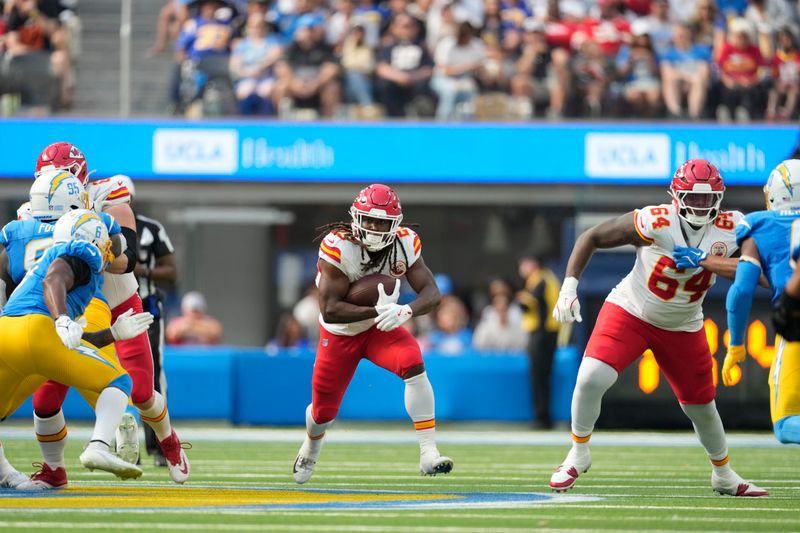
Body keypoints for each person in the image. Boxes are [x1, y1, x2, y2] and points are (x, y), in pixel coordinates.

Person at [549, 159, 767, 497]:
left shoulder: (734, 226)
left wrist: (708, 262)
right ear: (676, 196)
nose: (701, 205)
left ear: (720, 198)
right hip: (632, 309)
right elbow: (591, 236)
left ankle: (722, 473)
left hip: (684, 323)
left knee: (701, 408)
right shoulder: (655, 221)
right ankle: (577, 452)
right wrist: (568, 288)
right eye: (693, 199)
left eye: (708, 198)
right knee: (591, 376)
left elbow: (762, 275)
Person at [31, 143, 190, 487]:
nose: (46, 191)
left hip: (119, 302)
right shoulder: (32, 210)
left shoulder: (108, 197)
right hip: (73, 309)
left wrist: (92, 250)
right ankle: (54, 469)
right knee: (44, 399)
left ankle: (170, 442)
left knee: (143, 392)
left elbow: (129, 259)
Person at [292, 183, 452, 484]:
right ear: (356, 218)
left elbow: (431, 292)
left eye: (383, 222)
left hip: (382, 327)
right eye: (371, 220)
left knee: (414, 364)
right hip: (341, 332)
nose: (376, 228)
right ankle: (312, 445)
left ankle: (428, 452)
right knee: (324, 410)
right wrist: (378, 311)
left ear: (396, 224)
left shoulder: (405, 242)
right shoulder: (338, 246)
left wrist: (406, 310)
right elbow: (330, 309)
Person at [0, 209, 152, 482]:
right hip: (39, 330)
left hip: (7, 334)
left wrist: (112, 334)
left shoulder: (48, 258)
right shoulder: (84, 251)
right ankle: (98, 447)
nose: (111, 245)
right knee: (119, 381)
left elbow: (71, 341)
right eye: (107, 239)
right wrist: (61, 319)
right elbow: (54, 280)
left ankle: (3, 473)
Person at [724, 159, 800, 444]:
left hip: (795, 324)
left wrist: (736, 346)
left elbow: (741, 291)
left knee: (785, 424)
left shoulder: (760, 225)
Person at [125, 177, 179, 467]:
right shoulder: (95, 227)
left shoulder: (150, 229)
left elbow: (172, 271)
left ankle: (158, 443)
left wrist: (142, 270)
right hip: (108, 309)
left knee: (152, 375)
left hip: (145, 308)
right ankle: (120, 443)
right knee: (111, 376)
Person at [517, 252, 560, 429]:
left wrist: (521, 298)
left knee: (539, 376)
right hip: (546, 334)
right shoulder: (544, 278)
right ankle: (543, 416)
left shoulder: (540, 280)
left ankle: (542, 418)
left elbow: (530, 304)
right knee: (542, 377)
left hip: (542, 335)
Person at [273, 15, 341, 118]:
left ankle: (328, 123)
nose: (308, 33)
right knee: (281, 87)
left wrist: (316, 84)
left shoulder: (323, 47)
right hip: (296, 86)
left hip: (317, 87)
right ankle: (283, 122)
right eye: (306, 29)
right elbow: (281, 66)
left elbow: (332, 69)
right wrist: (293, 83)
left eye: (311, 29)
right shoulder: (292, 47)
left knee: (332, 88)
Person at [375, 13, 434, 117]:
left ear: (416, 28)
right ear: (394, 29)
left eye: (409, 26)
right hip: (394, 81)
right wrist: (400, 77)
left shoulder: (422, 46)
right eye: (403, 27)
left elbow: (429, 68)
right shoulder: (389, 46)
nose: (406, 30)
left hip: (416, 81)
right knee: (385, 87)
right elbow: (381, 68)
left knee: (425, 89)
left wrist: (412, 77)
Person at [660, 23, 712, 120]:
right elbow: (666, 72)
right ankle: (675, 113)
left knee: (699, 80)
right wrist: (686, 77)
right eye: (678, 35)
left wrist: (689, 79)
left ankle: (694, 115)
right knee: (670, 80)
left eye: (683, 34)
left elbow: (704, 72)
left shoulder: (701, 51)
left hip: (696, 81)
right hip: (679, 81)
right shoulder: (669, 53)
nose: (681, 37)